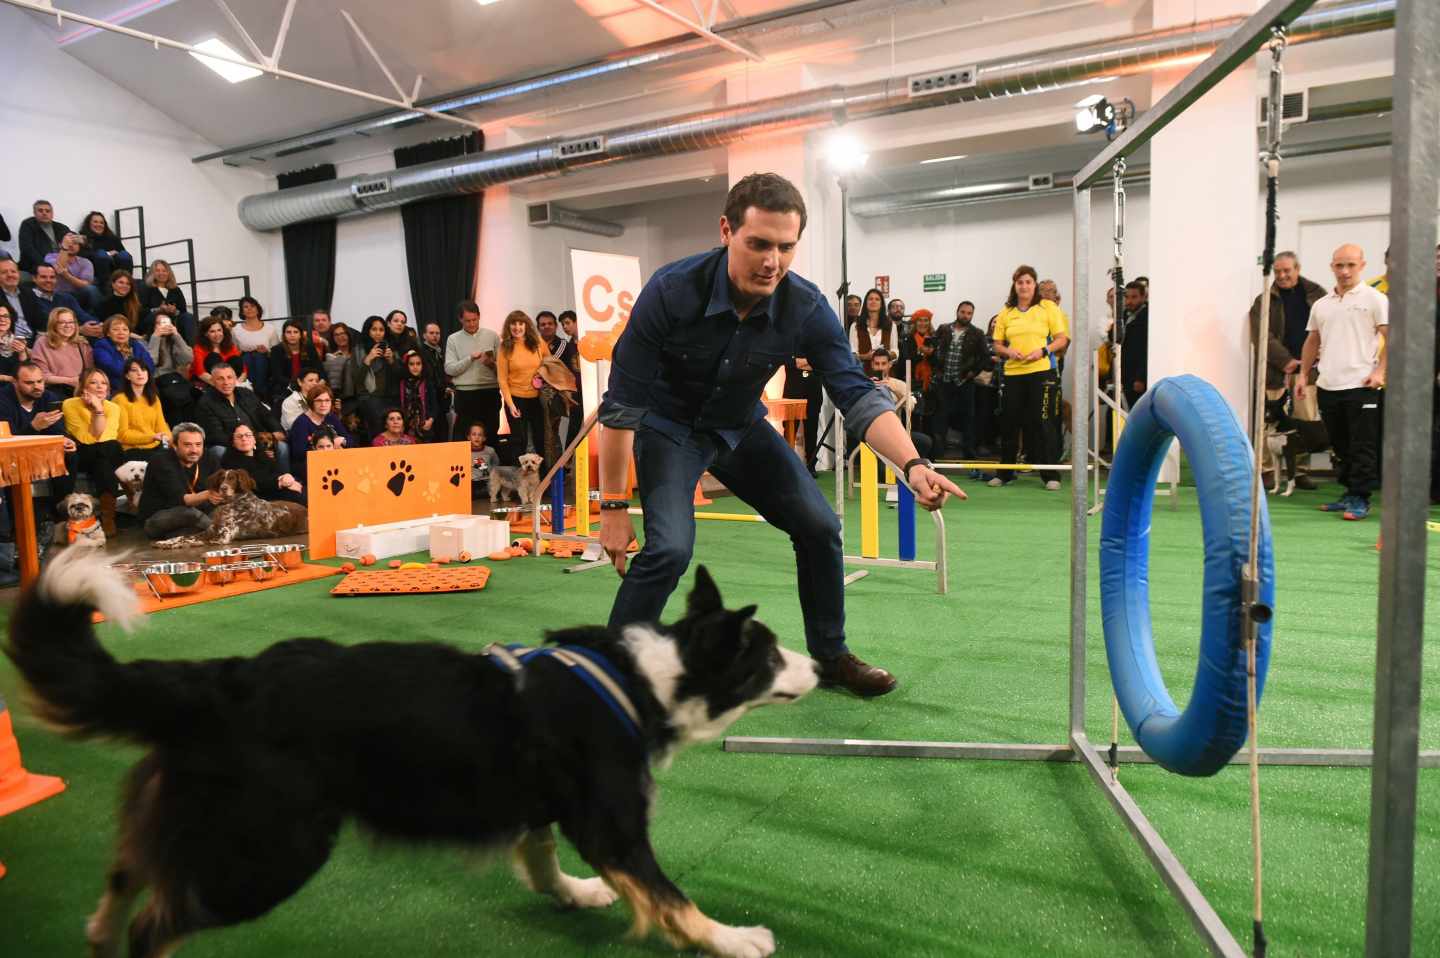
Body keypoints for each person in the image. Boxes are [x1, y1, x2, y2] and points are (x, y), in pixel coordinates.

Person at [598, 172, 963, 698]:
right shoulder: (671, 291)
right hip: (669, 427)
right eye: (759, 244)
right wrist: (611, 507)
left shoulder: (806, 306)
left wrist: (913, 465)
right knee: (671, 549)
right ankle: (608, 673)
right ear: (727, 230)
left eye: (786, 247)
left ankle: (831, 657)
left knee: (819, 527)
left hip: (741, 427)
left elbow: (856, 394)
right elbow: (622, 407)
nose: (773, 261)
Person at [1297, 243, 1388, 521]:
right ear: (1332, 267)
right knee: (1340, 444)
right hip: (1328, 386)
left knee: (1363, 445)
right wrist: (1303, 375)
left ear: (1361, 265)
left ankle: (1361, 498)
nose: (1345, 271)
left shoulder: (1375, 299)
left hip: (1362, 385)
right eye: (1339, 265)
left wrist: (1381, 371)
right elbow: (1312, 340)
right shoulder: (1322, 304)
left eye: (1350, 265)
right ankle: (1349, 493)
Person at [1249, 251, 1327, 490]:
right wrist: (1286, 361)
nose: (1282, 276)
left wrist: (1310, 359)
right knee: (1269, 422)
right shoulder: (1263, 301)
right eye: (1278, 271)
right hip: (1275, 372)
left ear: (1297, 268)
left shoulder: (1319, 296)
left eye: (1287, 270)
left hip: (1310, 370)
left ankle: (1299, 471)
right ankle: (1268, 470)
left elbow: (1327, 327)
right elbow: (1262, 336)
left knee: (1304, 421)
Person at [989, 264, 1069, 490]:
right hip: (1013, 374)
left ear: (1035, 285)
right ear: (1014, 286)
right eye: (1020, 282)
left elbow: (1061, 339)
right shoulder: (1007, 312)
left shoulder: (1048, 308)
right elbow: (997, 345)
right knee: (1009, 423)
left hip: (1041, 373)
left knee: (1044, 423)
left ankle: (1051, 475)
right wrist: (1008, 352)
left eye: (1028, 282)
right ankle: (1005, 473)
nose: (1024, 286)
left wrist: (1043, 351)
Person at [0, 362, 76, 508]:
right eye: (29, 383)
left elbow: (58, 431)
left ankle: (59, 512)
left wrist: (65, 440)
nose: (37, 387)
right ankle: (16, 521)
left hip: (40, 452)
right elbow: (6, 439)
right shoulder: (3, 400)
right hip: (11, 455)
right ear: (15, 382)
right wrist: (33, 427)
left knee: (69, 455)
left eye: (40, 381)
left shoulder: (48, 397)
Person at [62, 367, 126, 535]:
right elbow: (87, 438)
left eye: (104, 383)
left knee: (107, 451)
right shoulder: (70, 404)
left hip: (106, 454)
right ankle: (109, 519)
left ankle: (107, 518)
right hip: (83, 453)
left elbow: (106, 437)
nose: (100, 387)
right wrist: (98, 410)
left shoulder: (113, 407)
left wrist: (99, 408)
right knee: (105, 452)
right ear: (83, 387)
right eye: (93, 382)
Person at [194, 363, 289, 473]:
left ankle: (285, 481)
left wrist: (277, 431)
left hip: (256, 440)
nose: (226, 382)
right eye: (220, 379)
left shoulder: (246, 394)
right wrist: (250, 445)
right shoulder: (205, 403)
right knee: (218, 451)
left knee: (282, 448)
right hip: (230, 444)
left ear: (235, 379)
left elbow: (266, 415)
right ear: (212, 381)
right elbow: (215, 435)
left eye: (229, 377)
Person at [930, 300, 990, 460]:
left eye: (969, 313)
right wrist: (936, 370)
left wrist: (973, 372)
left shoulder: (977, 333)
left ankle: (969, 454)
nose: (965, 315)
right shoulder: (943, 329)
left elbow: (985, 357)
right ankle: (937, 454)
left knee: (968, 419)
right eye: (963, 312)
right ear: (957, 312)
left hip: (965, 381)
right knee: (940, 418)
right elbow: (932, 349)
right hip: (944, 380)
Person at [140, 423, 218, 540]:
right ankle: (217, 532)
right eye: (187, 445)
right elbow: (181, 499)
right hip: (160, 516)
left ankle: (184, 534)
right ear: (174, 445)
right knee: (189, 513)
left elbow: (219, 485)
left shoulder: (209, 457)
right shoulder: (160, 461)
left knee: (223, 511)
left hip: (198, 512)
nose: (194, 450)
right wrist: (208, 494)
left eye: (198, 445)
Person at [497, 310, 550, 464]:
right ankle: (519, 483)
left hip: (537, 399)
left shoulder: (538, 343)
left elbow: (550, 364)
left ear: (526, 326)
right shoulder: (504, 347)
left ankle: (543, 482)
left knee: (541, 439)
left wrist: (542, 375)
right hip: (515, 400)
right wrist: (510, 404)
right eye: (513, 323)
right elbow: (502, 379)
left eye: (521, 323)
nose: (517, 327)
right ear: (509, 326)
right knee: (519, 441)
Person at [445, 301, 501, 443]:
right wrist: (469, 358)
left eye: (474, 320)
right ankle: (464, 465)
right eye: (467, 321)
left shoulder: (492, 336)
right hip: (465, 393)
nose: (471, 324)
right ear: (460, 320)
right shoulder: (453, 339)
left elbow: (503, 369)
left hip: (490, 391)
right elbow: (449, 369)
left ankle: (490, 463)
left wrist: (491, 364)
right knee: (464, 434)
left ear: (479, 317)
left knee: (491, 433)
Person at [869, 349, 931, 459]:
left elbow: (911, 406)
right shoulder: (865, 383)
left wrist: (894, 389)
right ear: (872, 365)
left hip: (895, 432)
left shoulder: (899, 384)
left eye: (883, 364)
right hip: (872, 433)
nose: (880, 368)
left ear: (889, 365)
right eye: (877, 364)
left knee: (925, 442)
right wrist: (870, 387)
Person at [221, 423, 303, 504]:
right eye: (239, 436)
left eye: (248, 435)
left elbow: (276, 471)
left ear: (254, 439)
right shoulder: (230, 461)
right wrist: (280, 483)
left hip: (275, 490)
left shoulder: (261, 454)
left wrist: (286, 477)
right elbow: (255, 483)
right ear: (233, 442)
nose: (244, 439)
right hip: (258, 500)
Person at [286, 382, 351, 484]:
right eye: (319, 401)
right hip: (309, 467)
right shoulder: (301, 422)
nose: (323, 404)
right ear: (311, 402)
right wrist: (325, 448)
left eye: (327, 401)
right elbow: (299, 453)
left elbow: (351, 441)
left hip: (333, 463)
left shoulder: (331, 418)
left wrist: (343, 440)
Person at [113, 357, 170, 461]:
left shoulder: (154, 398)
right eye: (134, 370)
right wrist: (152, 437)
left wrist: (168, 438)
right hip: (132, 449)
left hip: (155, 447)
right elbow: (122, 435)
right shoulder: (120, 399)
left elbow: (162, 426)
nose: (140, 373)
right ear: (127, 376)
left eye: (143, 369)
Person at [31, 307, 92, 397]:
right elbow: (41, 375)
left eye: (71, 322)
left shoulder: (82, 343)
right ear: (53, 325)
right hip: (54, 391)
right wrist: (69, 381)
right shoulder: (42, 342)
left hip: (80, 390)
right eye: (62, 322)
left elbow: (90, 371)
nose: (67, 325)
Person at [24, 262, 98, 338]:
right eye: (43, 277)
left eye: (52, 277)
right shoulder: (28, 298)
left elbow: (82, 316)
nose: (48, 280)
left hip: (73, 338)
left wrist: (97, 326)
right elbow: (45, 326)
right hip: (47, 340)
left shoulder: (66, 297)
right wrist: (79, 330)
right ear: (34, 278)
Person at [354, 315, 399, 438]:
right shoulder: (359, 350)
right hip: (369, 398)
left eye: (381, 330)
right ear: (368, 331)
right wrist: (368, 359)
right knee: (377, 434)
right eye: (374, 329)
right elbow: (357, 380)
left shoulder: (391, 348)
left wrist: (391, 361)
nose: (378, 333)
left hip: (391, 398)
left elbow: (400, 375)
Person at [146, 312, 195, 423]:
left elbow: (188, 359)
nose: (163, 326)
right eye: (159, 323)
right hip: (155, 381)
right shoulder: (144, 342)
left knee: (190, 395)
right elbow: (150, 363)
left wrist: (177, 336)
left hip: (174, 380)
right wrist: (155, 338)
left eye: (166, 322)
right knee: (173, 397)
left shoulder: (173, 341)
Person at [92, 314, 156, 392]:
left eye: (125, 329)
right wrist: (137, 374)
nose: (121, 332)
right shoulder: (101, 346)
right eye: (115, 329)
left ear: (129, 333)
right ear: (108, 333)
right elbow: (114, 368)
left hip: (141, 386)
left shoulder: (136, 345)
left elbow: (149, 365)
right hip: (116, 388)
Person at [267, 319, 322, 406]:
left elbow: (319, 369)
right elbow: (278, 376)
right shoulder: (277, 350)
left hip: (308, 386)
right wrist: (297, 385)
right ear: (284, 335)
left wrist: (319, 382)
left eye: (295, 332)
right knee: (301, 405)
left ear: (301, 334)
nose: (292, 335)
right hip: (286, 388)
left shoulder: (309, 348)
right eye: (288, 332)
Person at [232, 296, 278, 396]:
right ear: (242, 311)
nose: (249, 309)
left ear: (258, 309)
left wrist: (267, 351)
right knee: (248, 357)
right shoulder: (236, 330)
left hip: (265, 360)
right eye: (245, 307)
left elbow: (276, 352)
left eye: (252, 306)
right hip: (245, 360)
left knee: (259, 357)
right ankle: (254, 393)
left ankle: (259, 393)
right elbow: (234, 352)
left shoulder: (270, 329)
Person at [140, 260, 193, 343]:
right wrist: (159, 309)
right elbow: (141, 311)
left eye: (164, 271)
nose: (161, 273)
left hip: (173, 319)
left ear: (169, 273)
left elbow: (183, 310)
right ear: (152, 273)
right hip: (153, 319)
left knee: (188, 317)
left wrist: (175, 311)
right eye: (157, 270)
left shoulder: (175, 289)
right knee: (160, 318)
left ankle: (190, 348)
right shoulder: (146, 288)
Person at [78, 211, 132, 292]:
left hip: (116, 270)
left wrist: (112, 255)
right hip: (97, 272)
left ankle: (126, 284)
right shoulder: (83, 238)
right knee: (101, 254)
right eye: (95, 222)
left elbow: (124, 256)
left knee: (124, 255)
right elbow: (82, 256)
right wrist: (107, 254)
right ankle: (107, 289)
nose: (99, 225)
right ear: (89, 224)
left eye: (101, 223)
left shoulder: (113, 238)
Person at [45, 232, 100, 311]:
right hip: (57, 295)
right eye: (67, 242)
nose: (71, 245)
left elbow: (86, 284)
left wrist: (67, 275)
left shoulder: (85, 262)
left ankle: (94, 317)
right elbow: (60, 267)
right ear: (60, 244)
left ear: (79, 246)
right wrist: (65, 248)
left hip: (78, 295)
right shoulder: (50, 257)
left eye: (74, 243)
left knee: (92, 290)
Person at [849, 287, 895, 375]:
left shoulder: (891, 325)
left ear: (881, 304)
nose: (873, 301)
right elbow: (852, 354)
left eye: (877, 299)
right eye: (870, 299)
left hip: (885, 375)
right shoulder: (855, 325)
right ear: (866, 303)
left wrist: (886, 354)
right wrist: (866, 356)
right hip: (862, 374)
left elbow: (895, 351)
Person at [17, 200, 70, 275]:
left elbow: (73, 241)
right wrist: (46, 265)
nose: (44, 213)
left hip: (59, 264)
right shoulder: (28, 225)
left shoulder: (60, 227)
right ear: (34, 213)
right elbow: (27, 249)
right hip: (35, 264)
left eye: (47, 211)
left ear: (52, 214)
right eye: (40, 211)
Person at [1119, 280, 1149, 407]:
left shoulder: (1147, 317)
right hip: (1123, 374)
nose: (1129, 301)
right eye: (1127, 297)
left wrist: (1141, 377)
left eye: (1134, 297)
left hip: (1137, 376)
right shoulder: (1124, 315)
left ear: (1143, 297)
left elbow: (1146, 349)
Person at [419, 321, 450, 441]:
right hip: (429, 398)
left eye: (437, 333)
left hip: (441, 397)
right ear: (424, 335)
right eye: (431, 333)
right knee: (434, 433)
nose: (435, 336)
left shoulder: (439, 351)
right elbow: (429, 376)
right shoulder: (421, 352)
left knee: (443, 431)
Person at [192, 315, 245, 386]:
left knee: (236, 360)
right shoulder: (198, 348)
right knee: (213, 358)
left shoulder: (231, 346)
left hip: (231, 384)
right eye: (212, 331)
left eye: (219, 330)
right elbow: (201, 373)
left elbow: (243, 370)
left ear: (223, 331)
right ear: (205, 334)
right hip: (208, 382)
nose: (217, 334)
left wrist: (235, 384)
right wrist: (223, 385)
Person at [397, 349, 438, 441]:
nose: (415, 367)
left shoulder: (427, 383)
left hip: (425, 425)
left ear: (423, 365)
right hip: (405, 427)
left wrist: (430, 420)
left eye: (418, 364)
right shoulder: (401, 384)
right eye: (411, 364)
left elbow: (434, 405)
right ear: (406, 366)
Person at [94, 270, 144, 334]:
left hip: (136, 337)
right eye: (121, 282)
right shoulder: (104, 304)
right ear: (113, 284)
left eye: (128, 284)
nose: (125, 286)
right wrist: (139, 338)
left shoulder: (135, 303)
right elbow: (108, 328)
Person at [0, 303, 30, 384]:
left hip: (16, 386)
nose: (2, 319)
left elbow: (26, 369)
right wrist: (6, 378)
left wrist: (22, 353)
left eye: (6, 316)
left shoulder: (16, 340)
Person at [467, 422, 498, 498]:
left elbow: (496, 463)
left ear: (484, 438)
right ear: (468, 437)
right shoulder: (464, 451)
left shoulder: (490, 450)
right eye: (474, 434)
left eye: (480, 435)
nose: (477, 437)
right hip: (471, 483)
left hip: (485, 482)